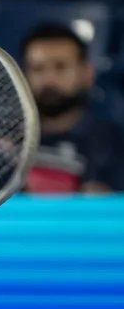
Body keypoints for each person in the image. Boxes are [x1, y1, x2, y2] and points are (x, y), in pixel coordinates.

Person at [20, 22, 124, 193]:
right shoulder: (3, 142)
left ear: (87, 74)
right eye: (38, 69)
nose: (49, 79)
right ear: (24, 75)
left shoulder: (115, 144)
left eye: (60, 67)